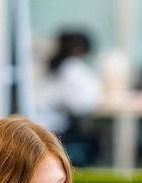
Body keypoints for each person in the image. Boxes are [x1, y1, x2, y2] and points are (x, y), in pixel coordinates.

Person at [33, 29, 103, 165]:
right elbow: (81, 105)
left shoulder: (42, 65)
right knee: (94, 140)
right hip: (53, 131)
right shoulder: (72, 69)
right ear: (81, 50)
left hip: (35, 126)